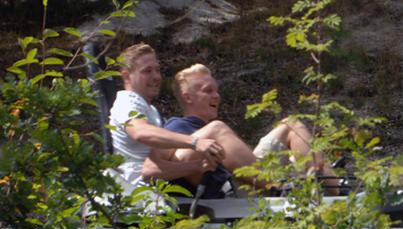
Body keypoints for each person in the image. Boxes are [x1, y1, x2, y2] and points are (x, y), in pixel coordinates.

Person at [141, 63, 330, 197]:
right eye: (208, 91)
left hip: (245, 179)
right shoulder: (176, 127)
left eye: (217, 90)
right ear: (188, 97)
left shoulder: (211, 130)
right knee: (217, 129)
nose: (216, 96)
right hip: (225, 190)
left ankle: (333, 187)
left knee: (292, 125)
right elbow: (149, 170)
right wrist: (196, 165)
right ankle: (278, 189)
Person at [107, 43, 225, 197]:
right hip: (138, 194)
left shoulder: (151, 110)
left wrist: (198, 166)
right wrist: (195, 142)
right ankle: (262, 183)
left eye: (157, 70)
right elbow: (141, 132)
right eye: (147, 71)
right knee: (216, 129)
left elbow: (154, 167)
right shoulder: (127, 102)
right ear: (126, 76)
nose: (156, 77)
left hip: (158, 189)